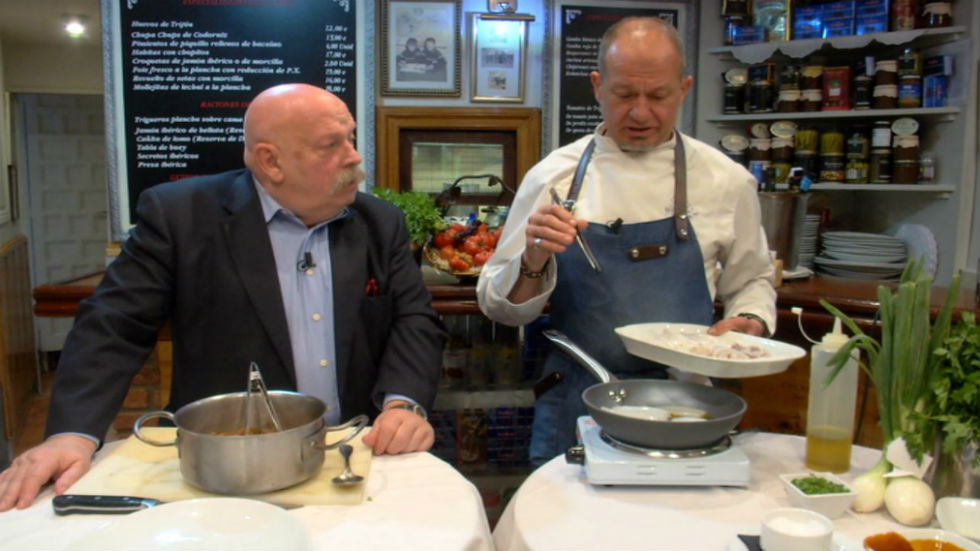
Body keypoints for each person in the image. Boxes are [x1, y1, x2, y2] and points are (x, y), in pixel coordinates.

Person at [0, 83, 446, 510]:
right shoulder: (181, 216)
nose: (355, 157)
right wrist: (71, 435)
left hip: (355, 454)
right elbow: (113, 325)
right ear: (270, 161)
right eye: (331, 145)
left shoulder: (380, 222)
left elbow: (413, 319)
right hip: (225, 467)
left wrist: (403, 402)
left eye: (350, 138)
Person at [476, 17, 776, 464]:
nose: (640, 113)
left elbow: (752, 280)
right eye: (624, 94)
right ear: (598, 86)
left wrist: (749, 318)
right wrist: (533, 259)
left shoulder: (725, 181)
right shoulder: (553, 179)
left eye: (658, 96)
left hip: (686, 401)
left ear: (684, 89)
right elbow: (501, 309)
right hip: (578, 396)